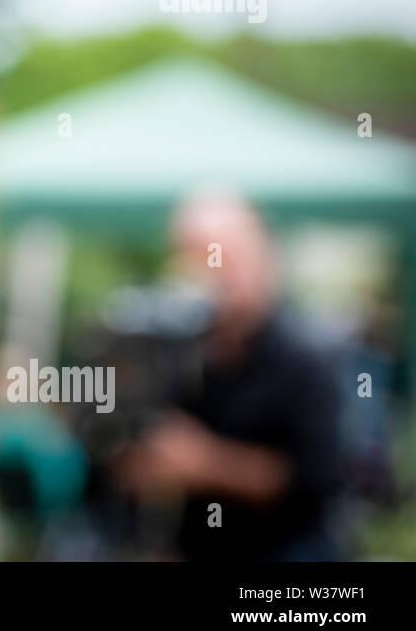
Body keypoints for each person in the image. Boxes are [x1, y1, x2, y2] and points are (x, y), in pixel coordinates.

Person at [114, 191, 343, 560]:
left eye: (221, 255)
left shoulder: (308, 353)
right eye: (196, 256)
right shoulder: (177, 346)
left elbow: (318, 481)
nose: (211, 270)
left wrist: (208, 464)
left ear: (260, 257)